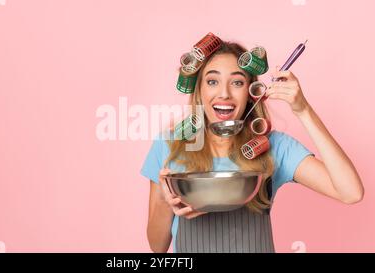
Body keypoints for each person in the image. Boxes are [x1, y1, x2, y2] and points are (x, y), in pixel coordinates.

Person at [140, 40, 364, 253]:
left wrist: (303, 110)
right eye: (212, 81)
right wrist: (164, 198)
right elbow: (157, 246)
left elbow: (351, 193)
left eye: (237, 82)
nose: (224, 93)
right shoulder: (169, 146)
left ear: (250, 92)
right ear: (199, 91)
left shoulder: (273, 146)